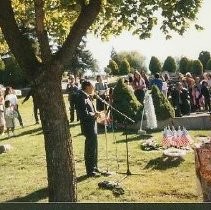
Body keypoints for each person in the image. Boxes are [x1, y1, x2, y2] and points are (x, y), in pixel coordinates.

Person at [76, 80, 101, 177]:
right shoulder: (81, 97)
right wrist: (94, 114)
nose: (93, 88)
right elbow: (83, 114)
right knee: (90, 149)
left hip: (92, 125)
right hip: (88, 127)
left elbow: (90, 111)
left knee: (94, 147)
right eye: (92, 86)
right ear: (87, 87)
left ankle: (95, 167)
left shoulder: (88, 96)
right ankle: (90, 171)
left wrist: (95, 113)